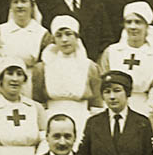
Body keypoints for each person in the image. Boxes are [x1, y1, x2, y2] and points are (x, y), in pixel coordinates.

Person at [31, 14, 102, 148]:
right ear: (54, 39)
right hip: (51, 119)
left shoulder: (90, 67)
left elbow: (96, 103)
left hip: (82, 119)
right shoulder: (42, 67)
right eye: (59, 35)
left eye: (68, 34)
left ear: (76, 37)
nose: (64, 40)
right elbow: (38, 101)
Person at [99, 1, 153, 116]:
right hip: (113, 106)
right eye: (129, 22)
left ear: (147, 26)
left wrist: (148, 109)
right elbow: (102, 81)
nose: (133, 27)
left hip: (143, 107)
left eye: (138, 22)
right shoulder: (112, 52)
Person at [40, 0, 114, 61]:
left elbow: (107, 37)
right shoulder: (49, 7)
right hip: (60, 61)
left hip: (90, 62)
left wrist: (97, 58)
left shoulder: (96, 5)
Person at [0, 0, 52, 97]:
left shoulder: (42, 33)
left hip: (32, 85)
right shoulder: (0, 31)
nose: (19, 6)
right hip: (4, 84)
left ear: (32, 6)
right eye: (15, 2)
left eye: (23, 1)